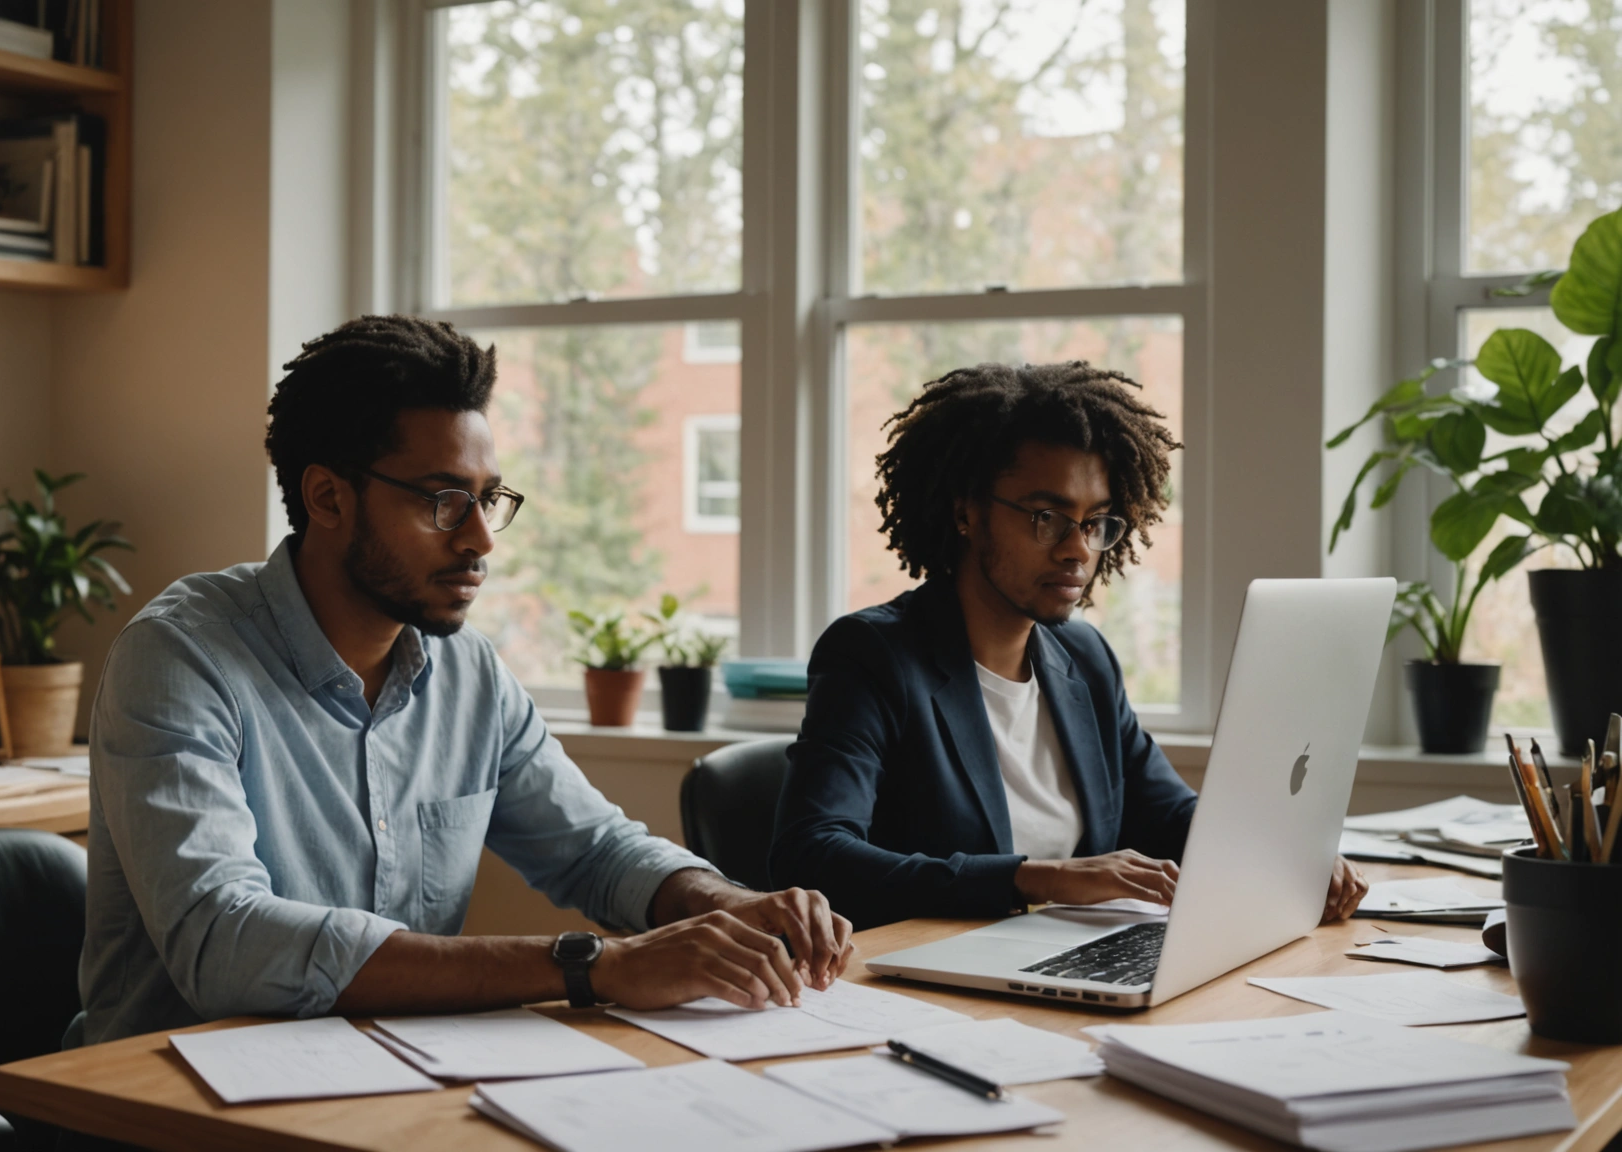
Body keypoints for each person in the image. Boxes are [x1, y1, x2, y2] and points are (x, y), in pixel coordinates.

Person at [73, 315, 852, 1047]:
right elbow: (223, 943)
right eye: (444, 502)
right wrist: (593, 965)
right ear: (328, 497)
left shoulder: (465, 670)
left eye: (488, 500)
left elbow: (594, 849)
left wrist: (726, 904)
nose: (481, 538)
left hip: (389, 1074)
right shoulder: (179, 658)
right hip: (158, 1099)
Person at [769, 361, 1368, 931]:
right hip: (924, 969)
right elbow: (813, 854)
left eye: (1096, 522)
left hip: (1065, 955)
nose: (1077, 549)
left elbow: (1169, 814)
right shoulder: (873, 656)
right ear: (966, 513)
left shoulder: (1084, 658)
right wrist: (1040, 879)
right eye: (1047, 517)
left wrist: (1286, 853)